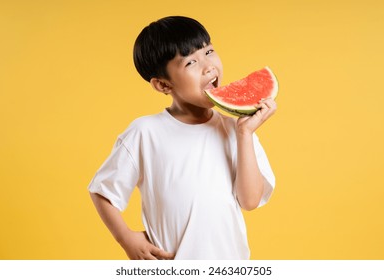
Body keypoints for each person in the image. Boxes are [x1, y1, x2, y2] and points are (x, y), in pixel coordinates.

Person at [88, 16, 276, 260]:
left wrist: (245, 134)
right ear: (163, 85)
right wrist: (125, 237)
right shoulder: (145, 133)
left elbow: (250, 201)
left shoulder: (237, 130)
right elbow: (102, 190)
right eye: (191, 63)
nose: (208, 66)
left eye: (209, 51)